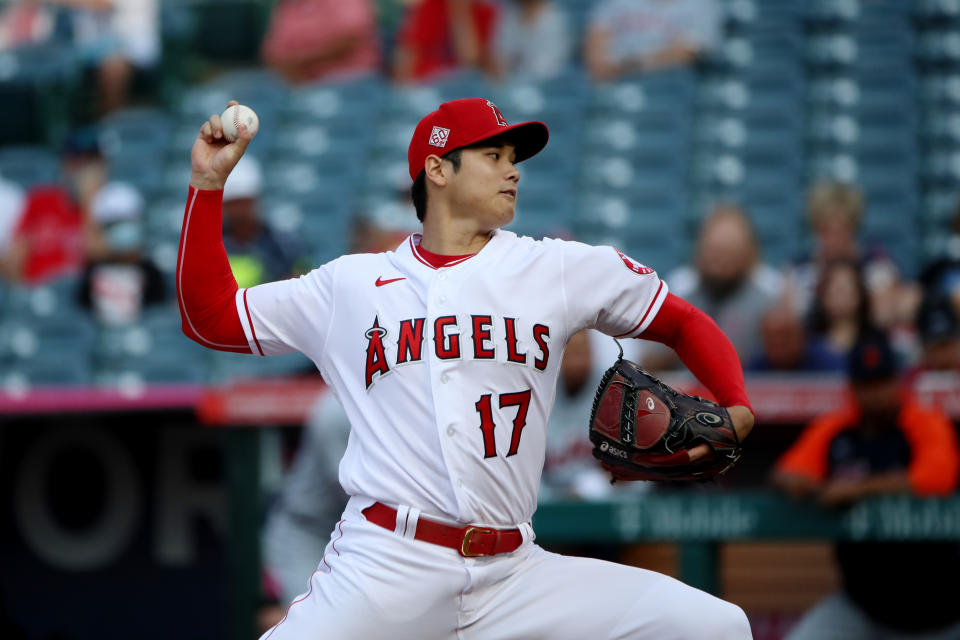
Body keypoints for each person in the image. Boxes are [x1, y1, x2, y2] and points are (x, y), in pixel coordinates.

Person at [179, 97, 755, 638]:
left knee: (716, 628)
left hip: (513, 572)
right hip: (385, 565)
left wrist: (736, 404)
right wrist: (208, 185)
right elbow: (211, 318)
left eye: (514, 159)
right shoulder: (350, 285)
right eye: (494, 156)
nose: (514, 171)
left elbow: (682, 322)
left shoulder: (553, 267)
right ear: (438, 169)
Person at [772, 331, 960, 639]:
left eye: (883, 382)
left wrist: (857, 489)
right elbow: (787, 472)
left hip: (940, 611)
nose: (876, 394)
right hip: (862, 607)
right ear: (852, 388)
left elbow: (938, 479)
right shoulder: (837, 428)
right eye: (867, 385)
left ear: (899, 381)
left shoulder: (925, 421)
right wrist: (802, 485)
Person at [643, 205, 781, 371]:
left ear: (749, 254)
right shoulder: (679, 290)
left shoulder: (769, 295)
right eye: (714, 254)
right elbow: (647, 363)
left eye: (729, 253)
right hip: (684, 392)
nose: (720, 265)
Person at [76, 181, 166, 325]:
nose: (124, 232)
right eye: (114, 225)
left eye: (129, 223)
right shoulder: (89, 274)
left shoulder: (152, 274)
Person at [220, 156, 308, 288]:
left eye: (244, 202)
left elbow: (299, 286)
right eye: (233, 204)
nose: (239, 210)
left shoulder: (282, 245)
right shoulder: (211, 245)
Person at [584, 0, 721, 82]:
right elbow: (595, 52)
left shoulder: (701, 4)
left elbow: (687, 53)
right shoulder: (617, 2)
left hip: (671, 87)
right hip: (613, 82)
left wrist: (629, 66)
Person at [260, 0, 380, 85]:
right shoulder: (289, 4)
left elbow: (351, 36)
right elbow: (271, 50)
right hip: (292, 85)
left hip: (347, 83)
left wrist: (300, 62)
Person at [393, 0, 499, 83]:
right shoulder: (432, 6)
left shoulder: (485, 11)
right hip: (428, 83)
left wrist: (460, 11)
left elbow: (470, 59)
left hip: (463, 84)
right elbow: (409, 51)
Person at [805, 259, 873, 372]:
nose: (840, 297)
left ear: (860, 295)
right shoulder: (807, 345)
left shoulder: (875, 344)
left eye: (845, 290)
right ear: (823, 297)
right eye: (834, 290)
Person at [489, 0, 571, 81]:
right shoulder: (509, 15)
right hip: (512, 81)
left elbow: (548, 68)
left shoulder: (555, 19)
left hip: (545, 83)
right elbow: (500, 56)